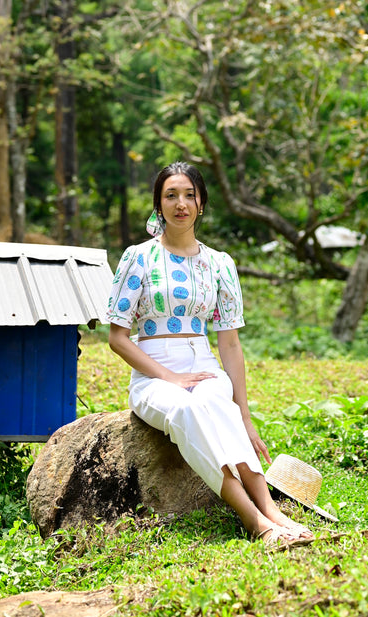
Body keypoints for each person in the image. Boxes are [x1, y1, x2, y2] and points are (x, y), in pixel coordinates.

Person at [106, 161, 314, 549]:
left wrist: (245, 416)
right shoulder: (138, 257)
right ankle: (255, 522)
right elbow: (118, 337)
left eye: (189, 194)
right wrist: (170, 378)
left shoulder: (219, 264)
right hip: (153, 374)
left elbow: (229, 343)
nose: (180, 203)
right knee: (187, 409)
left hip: (204, 366)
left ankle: (271, 510)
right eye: (171, 195)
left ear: (202, 203)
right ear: (158, 204)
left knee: (215, 400)